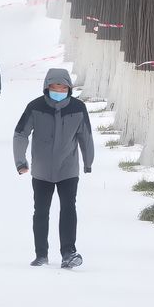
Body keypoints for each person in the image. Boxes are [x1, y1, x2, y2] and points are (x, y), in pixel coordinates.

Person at [13, 69, 94, 269]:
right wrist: (20, 161)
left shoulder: (78, 108)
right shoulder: (35, 107)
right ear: (47, 87)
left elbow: (85, 136)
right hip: (41, 170)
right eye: (55, 87)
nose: (59, 90)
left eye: (63, 87)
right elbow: (20, 134)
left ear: (69, 88)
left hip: (68, 168)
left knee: (68, 209)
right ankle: (41, 254)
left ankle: (68, 252)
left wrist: (88, 161)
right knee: (41, 211)